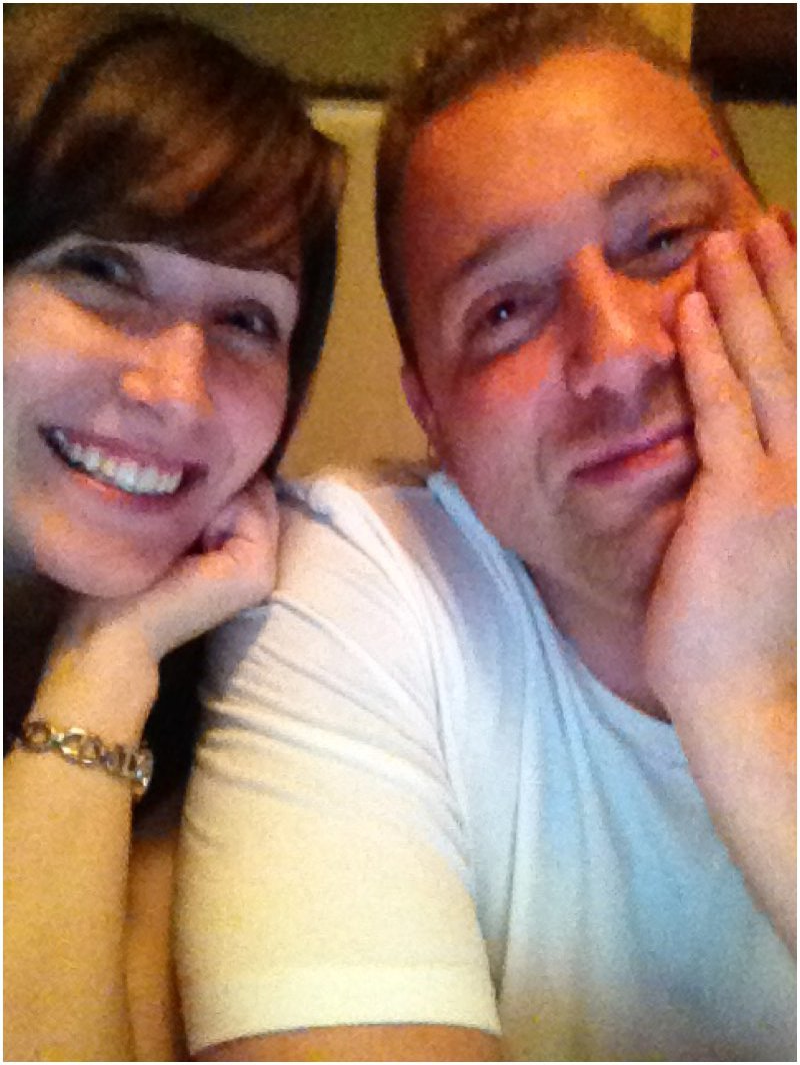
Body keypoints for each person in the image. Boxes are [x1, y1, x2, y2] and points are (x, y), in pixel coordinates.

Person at [176, 5, 795, 1062]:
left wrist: (747, 704)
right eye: (504, 310)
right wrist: (735, 684)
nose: (616, 353)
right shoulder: (368, 587)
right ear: (432, 417)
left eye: (663, 241)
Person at [3, 6, 341, 1060]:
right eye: (103, 272)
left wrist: (104, 662)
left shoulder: (246, 694)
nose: (177, 391)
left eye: (246, 321)